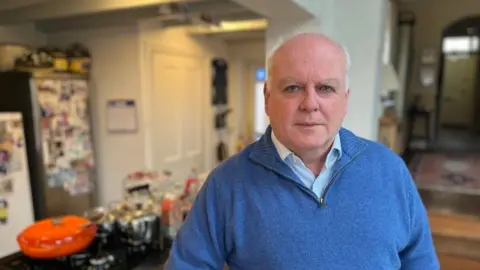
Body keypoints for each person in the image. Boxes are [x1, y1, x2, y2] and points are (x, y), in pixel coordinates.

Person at [164, 32, 439, 270]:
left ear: (345, 100)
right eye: (293, 87)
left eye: (326, 88)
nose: (310, 103)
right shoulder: (226, 185)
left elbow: (421, 261)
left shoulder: (390, 170)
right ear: (268, 100)